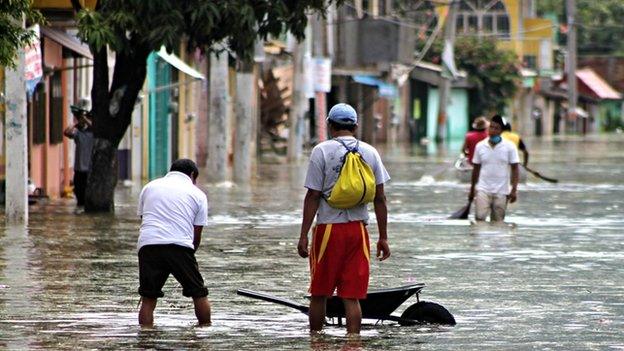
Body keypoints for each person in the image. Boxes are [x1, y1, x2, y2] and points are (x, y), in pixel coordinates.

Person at [297, 103, 391, 335]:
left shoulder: (321, 151)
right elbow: (380, 199)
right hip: (358, 231)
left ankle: (316, 343)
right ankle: (353, 343)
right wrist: (384, 238)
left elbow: (313, 195)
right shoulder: (370, 152)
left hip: (329, 229)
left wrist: (303, 235)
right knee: (352, 296)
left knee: (319, 294)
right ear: (355, 127)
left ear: (330, 126)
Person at [136, 159, 211, 326]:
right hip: (180, 246)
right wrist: (188, 258)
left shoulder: (149, 187)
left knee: (148, 298)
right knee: (199, 293)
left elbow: (144, 220)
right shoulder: (198, 194)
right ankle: (205, 334)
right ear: (192, 175)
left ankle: (145, 339)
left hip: (148, 245)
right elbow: (196, 234)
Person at [468, 115, 520, 222]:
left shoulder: (510, 147)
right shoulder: (480, 146)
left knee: (498, 222)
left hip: (502, 191)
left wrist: (514, 190)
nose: (493, 130)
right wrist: (472, 189)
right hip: (483, 189)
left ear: (501, 131)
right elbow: (476, 169)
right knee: (480, 218)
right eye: (491, 127)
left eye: (496, 128)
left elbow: (515, 168)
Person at [63, 106, 94, 212]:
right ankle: (80, 207)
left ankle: (85, 208)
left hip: (89, 169)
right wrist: (76, 123)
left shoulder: (93, 134)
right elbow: (66, 132)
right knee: (78, 189)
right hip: (79, 168)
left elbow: (96, 129)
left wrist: (85, 119)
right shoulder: (78, 134)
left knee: (87, 191)